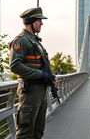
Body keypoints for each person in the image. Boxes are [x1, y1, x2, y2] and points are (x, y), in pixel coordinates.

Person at [9, 7, 56, 139]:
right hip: (30, 90)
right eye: (39, 21)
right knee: (26, 131)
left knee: (38, 131)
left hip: (41, 90)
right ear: (31, 21)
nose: (42, 23)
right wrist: (41, 75)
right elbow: (15, 65)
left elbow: (42, 63)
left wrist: (50, 75)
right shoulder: (21, 40)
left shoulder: (35, 41)